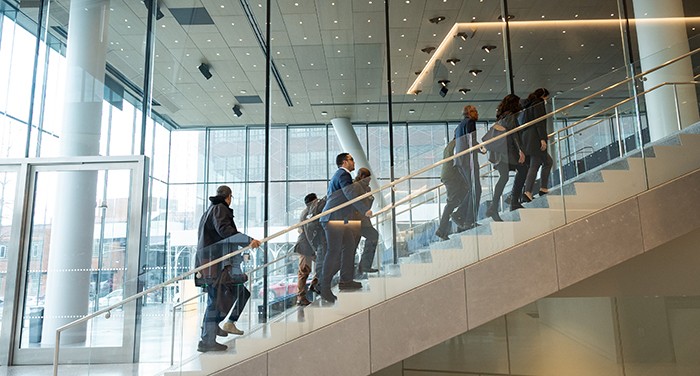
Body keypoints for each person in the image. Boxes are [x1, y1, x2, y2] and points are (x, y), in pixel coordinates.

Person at [195, 185, 260, 352]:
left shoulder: (210, 210)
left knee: (224, 297)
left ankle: (216, 328)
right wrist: (248, 241)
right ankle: (208, 339)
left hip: (212, 263)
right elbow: (225, 231)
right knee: (217, 301)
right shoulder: (220, 209)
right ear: (229, 197)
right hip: (216, 264)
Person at [319, 153, 372, 303]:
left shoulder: (340, 175)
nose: (354, 162)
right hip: (333, 219)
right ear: (344, 162)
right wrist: (364, 210)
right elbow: (349, 194)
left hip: (340, 219)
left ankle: (346, 280)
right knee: (333, 252)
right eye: (351, 159)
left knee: (349, 246)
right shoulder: (343, 175)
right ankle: (324, 288)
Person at [485, 94, 528, 221]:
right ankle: (513, 200)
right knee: (523, 169)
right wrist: (521, 150)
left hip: (500, 152)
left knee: (504, 177)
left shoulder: (501, 116)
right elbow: (514, 134)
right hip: (507, 152)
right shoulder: (510, 116)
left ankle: (494, 207)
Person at [520, 88, 553, 203]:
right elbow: (540, 122)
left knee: (546, 162)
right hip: (535, 137)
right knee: (536, 164)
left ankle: (541, 189)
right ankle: (528, 191)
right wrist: (543, 138)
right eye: (546, 98)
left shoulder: (527, 105)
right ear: (543, 95)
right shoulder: (538, 103)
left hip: (527, 137)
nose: (546, 100)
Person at [293, 193, 327, 306]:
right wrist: (314, 247)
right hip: (305, 246)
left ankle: (315, 284)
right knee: (304, 271)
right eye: (316, 200)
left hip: (310, 245)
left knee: (321, 264)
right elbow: (306, 232)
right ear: (313, 201)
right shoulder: (307, 213)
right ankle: (300, 297)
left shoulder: (310, 211)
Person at [453, 105, 484, 229]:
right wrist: (481, 147)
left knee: (473, 189)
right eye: (474, 111)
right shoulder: (470, 122)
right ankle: (468, 219)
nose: (476, 112)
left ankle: (461, 215)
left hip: (460, 161)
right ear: (469, 113)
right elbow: (471, 141)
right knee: (476, 189)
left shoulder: (459, 126)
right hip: (468, 160)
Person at [435, 138, 467, 240]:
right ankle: (441, 230)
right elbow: (458, 161)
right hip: (452, 176)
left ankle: (461, 222)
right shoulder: (457, 144)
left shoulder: (450, 145)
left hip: (450, 175)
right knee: (452, 202)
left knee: (463, 197)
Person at [353, 168, 379, 275]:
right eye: (368, 178)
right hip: (358, 220)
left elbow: (367, 203)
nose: (369, 180)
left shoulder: (366, 188)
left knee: (355, 244)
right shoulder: (356, 186)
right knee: (372, 236)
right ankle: (363, 267)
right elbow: (356, 202)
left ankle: (363, 267)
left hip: (362, 220)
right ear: (363, 177)